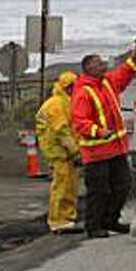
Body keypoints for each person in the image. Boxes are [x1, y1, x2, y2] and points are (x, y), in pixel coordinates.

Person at [71, 37, 136, 239]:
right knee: (98, 191)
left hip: (116, 148)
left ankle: (111, 219)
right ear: (88, 68)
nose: (103, 65)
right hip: (96, 152)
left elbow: (125, 74)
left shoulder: (107, 83)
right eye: (98, 63)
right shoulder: (83, 92)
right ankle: (93, 226)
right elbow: (80, 121)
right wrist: (98, 131)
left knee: (123, 185)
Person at [35, 71, 81, 234]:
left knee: (69, 185)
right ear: (68, 88)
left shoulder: (61, 102)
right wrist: (75, 151)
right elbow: (62, 131)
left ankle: (67, 218)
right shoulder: (57, 104)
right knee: (62, 186)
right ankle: (58, 221)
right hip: (59, 152)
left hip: (62, 152)